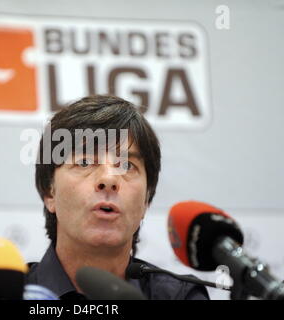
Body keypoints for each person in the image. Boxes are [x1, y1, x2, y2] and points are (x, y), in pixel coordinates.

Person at [26, 95, 209, 300]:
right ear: (50, 192)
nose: (109, 179)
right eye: (85, 162)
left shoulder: (179, 296)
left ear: (146, 200)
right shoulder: (5, 292)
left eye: (126, 166)